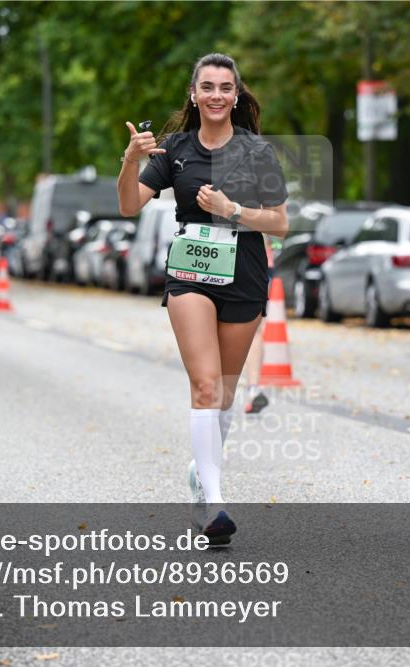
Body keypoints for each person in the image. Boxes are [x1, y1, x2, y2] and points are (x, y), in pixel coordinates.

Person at [117, 53, 288, 543]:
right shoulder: (174, 149)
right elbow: (129, 205)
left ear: (236, 96)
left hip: (245, 271)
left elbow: (279, 221)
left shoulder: (258, 152)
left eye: (225, 88)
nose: (216, 95)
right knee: (206, 387)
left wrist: (233, 209)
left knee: (227, 395)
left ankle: (200, 471)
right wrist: (132, 160)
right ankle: (212, 503)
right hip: (191, 271)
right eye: (207, 87)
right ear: (194, 94)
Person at [243, 234, 280, 414]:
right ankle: (253, 389)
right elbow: (279, 232)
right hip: (262, 262)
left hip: (232, 259)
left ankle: (216, 388)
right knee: (254, 329)